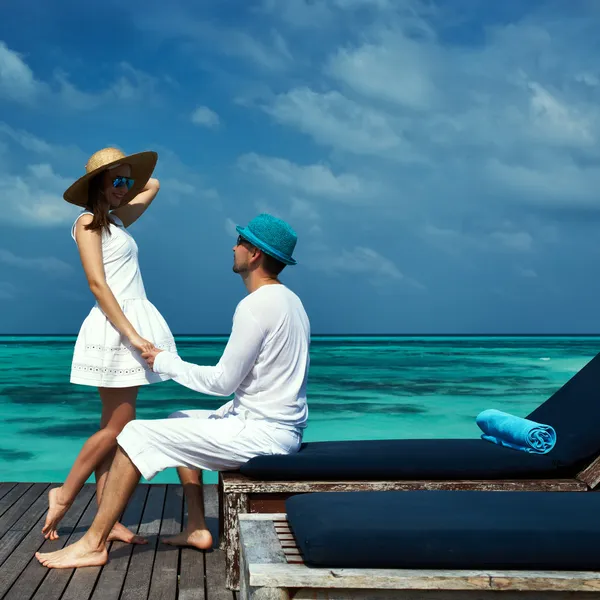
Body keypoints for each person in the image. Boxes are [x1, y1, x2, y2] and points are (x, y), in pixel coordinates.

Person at [35, 213, 310, 569]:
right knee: (178, 417)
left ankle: (93, 543)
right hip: (276, 428)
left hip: (262, 436)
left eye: (241, 242)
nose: (234, 247)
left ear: (255, 254)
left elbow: (222, 383)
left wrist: (164, 361)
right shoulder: (291, 302)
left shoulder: (255, 307)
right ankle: (197, 527)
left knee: (135, 432)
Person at [42, 148, 177, 545]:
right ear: (96, 184)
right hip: (115, 327)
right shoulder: (86, 223)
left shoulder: (117, 220)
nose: (124, 188)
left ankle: (108, 517)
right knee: (121, 424)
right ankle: (63, 493)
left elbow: (153, 184)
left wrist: (124, 180)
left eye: (125, 181)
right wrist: (133, 335)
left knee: (112, 426)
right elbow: (97, 284)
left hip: (126, 323)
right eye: (116, 181)